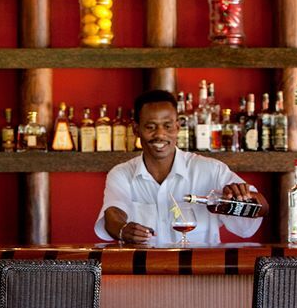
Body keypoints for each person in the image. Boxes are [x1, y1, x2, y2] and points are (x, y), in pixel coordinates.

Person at [94, 89, 269, 245]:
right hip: (145, 270)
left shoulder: (211, 170)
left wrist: (242, 196)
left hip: (199, 270)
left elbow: (263, 208)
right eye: (150, 127)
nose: (160, 134)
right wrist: (123, 230)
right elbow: (112, 215)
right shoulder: (121, 174)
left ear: (177, 127)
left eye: (167, 126)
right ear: (136, 129)